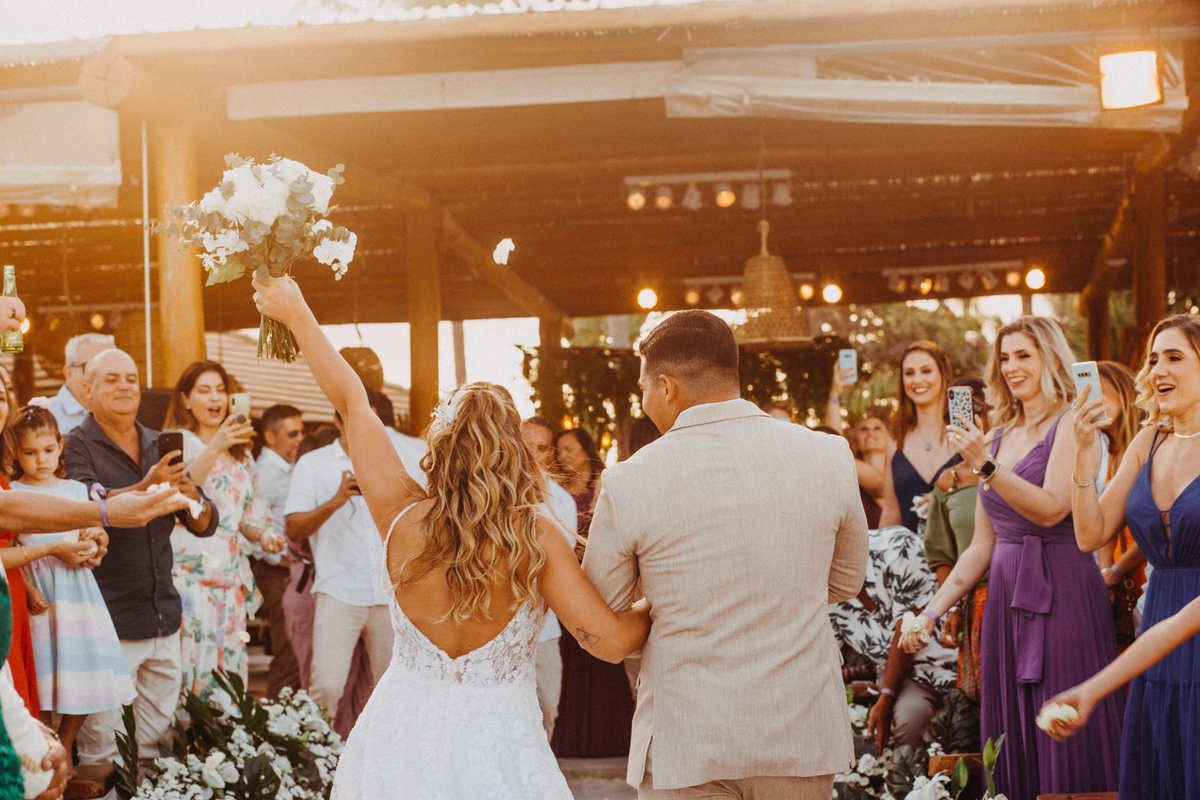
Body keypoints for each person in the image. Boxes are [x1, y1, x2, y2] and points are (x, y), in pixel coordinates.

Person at [252, 275, 650, 799]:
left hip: (397, 742)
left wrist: (297, 312)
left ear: (440, 446)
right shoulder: (537, 537)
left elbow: (352, 401)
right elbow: (611, 641)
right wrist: (657, 600)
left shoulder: (400, 516)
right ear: (513, 450)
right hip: (500, 748)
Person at [582, 309, 868, 799]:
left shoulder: (631, 478)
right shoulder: (828, 455)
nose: (644, 401)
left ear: (666, 387)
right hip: (799, 729)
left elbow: (601, 605)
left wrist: (669, 599)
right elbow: (845, 582)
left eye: (644, 388)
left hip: (687, 735)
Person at [901, 316, 1123, 798]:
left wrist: (983, 464)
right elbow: (981, 545)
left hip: (1062, 588)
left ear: (1051, 358)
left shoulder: (1072, 424)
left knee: (1064, 720)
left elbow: (1051, 508)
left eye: (1024, 355)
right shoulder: (999, 435)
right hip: (1004, 598)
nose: (1012, 367)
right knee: (1012, 730)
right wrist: (930, 612)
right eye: (1005, 358)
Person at [63, 348, 218, 770]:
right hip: (108, 618)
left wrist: (191, 493)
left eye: (131, 378)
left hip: (163, 614)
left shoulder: (157, 442)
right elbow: (81, 508)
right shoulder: (74, 445)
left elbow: (205, 523)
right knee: (102, 750)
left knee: (154, 749)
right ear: (87, 390)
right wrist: (146, 485)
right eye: (111, 379)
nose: (124, 387)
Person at [1065, 314, 1200, 797]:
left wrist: (1094, 687)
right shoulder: (1148, 441)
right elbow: (1090, 534)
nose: (1158, 370)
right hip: (1157, 628)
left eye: (1174, 357)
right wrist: (1085, 452)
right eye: (1153, 359)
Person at [9, 406, 133, 758]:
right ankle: (44, 744)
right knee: (40, 672)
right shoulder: (13, 491)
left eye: (48, 450)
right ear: (16, 453)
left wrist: (95, 540)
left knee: (83, 670)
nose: (41, 460)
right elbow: (11, 545)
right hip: (38, 590)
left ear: (60, 446)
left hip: (75, 591)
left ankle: (65, 740)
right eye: (30, 452)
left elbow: (94, 531)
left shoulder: (78, 491)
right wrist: (29, 589)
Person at [162, 361, 286, 699]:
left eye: (221, 390)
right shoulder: (178, 443)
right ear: (186, 400)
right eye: (204, 391)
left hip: (230, 580)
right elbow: (181, 491)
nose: (215, 398)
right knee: (190, 675)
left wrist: (265, 536)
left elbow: (247, 516)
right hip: (189, 579)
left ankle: (225, 734)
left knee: (227, 680)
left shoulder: (242, 456)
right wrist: (216, 445)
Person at [828, 524, 956, 754]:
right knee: (908, 723)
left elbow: (906, 628)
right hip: (908, 679)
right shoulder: (823, 593)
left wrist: (886, 697)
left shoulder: (897, 546)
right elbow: (825, 661)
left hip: (953, 663)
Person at [924, 377, 989, 700]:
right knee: (983, 700)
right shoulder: (948, 481)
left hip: (1022, 590)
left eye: (978, 410)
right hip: (974, 602)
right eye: (957, 414)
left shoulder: (1022, 465)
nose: (968, 419)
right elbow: (942, 555)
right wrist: (951, 608)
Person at [520, 416, 579, 739]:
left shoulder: (561, 502)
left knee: (547, 709)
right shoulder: (489, 492)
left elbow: (560, 568)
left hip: (543, 628)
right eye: (525, 444)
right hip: (493, 628)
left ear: (549, 454)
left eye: (540, 448)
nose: (531, 453)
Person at [1093, 361, 1149, 647]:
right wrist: (1106, 575)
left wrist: (1114, 573)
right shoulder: (1108, 453)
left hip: (1144, 574)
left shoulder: (1146, 448)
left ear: (1124, 392)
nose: (1094, 400)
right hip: (1118, 583)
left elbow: (1158, 526)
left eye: (1101, 391)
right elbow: (1104, 525)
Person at [877, 342, 958, 533]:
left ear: (944, 374)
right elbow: (891, 513)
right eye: (909, 373)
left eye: (926, 371)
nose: (917, 380)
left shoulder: (965, 433)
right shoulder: (896, 439)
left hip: (964, 548)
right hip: (909, 549)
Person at [253, 404, 305, 696]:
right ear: (270, 437)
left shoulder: (289, 468)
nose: (300, 439)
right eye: (292, 433)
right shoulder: (265, 472)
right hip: (276, 572)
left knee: (298, 647)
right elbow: (250, 522)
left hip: (293, 570)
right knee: (289, 648)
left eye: (301, 432)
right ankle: (277, 714)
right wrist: (282, 559)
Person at [45, 333, 114, 436]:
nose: (100, 375)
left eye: (108, 368)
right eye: (90, 367)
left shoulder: (124, 411)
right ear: (68, 373)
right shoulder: (45, 417)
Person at [554, 427, 604, 536]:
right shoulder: (557, 487)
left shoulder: (604, 485)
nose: (562, 457)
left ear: (586, 449)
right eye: (558, 452)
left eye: (569, 450)